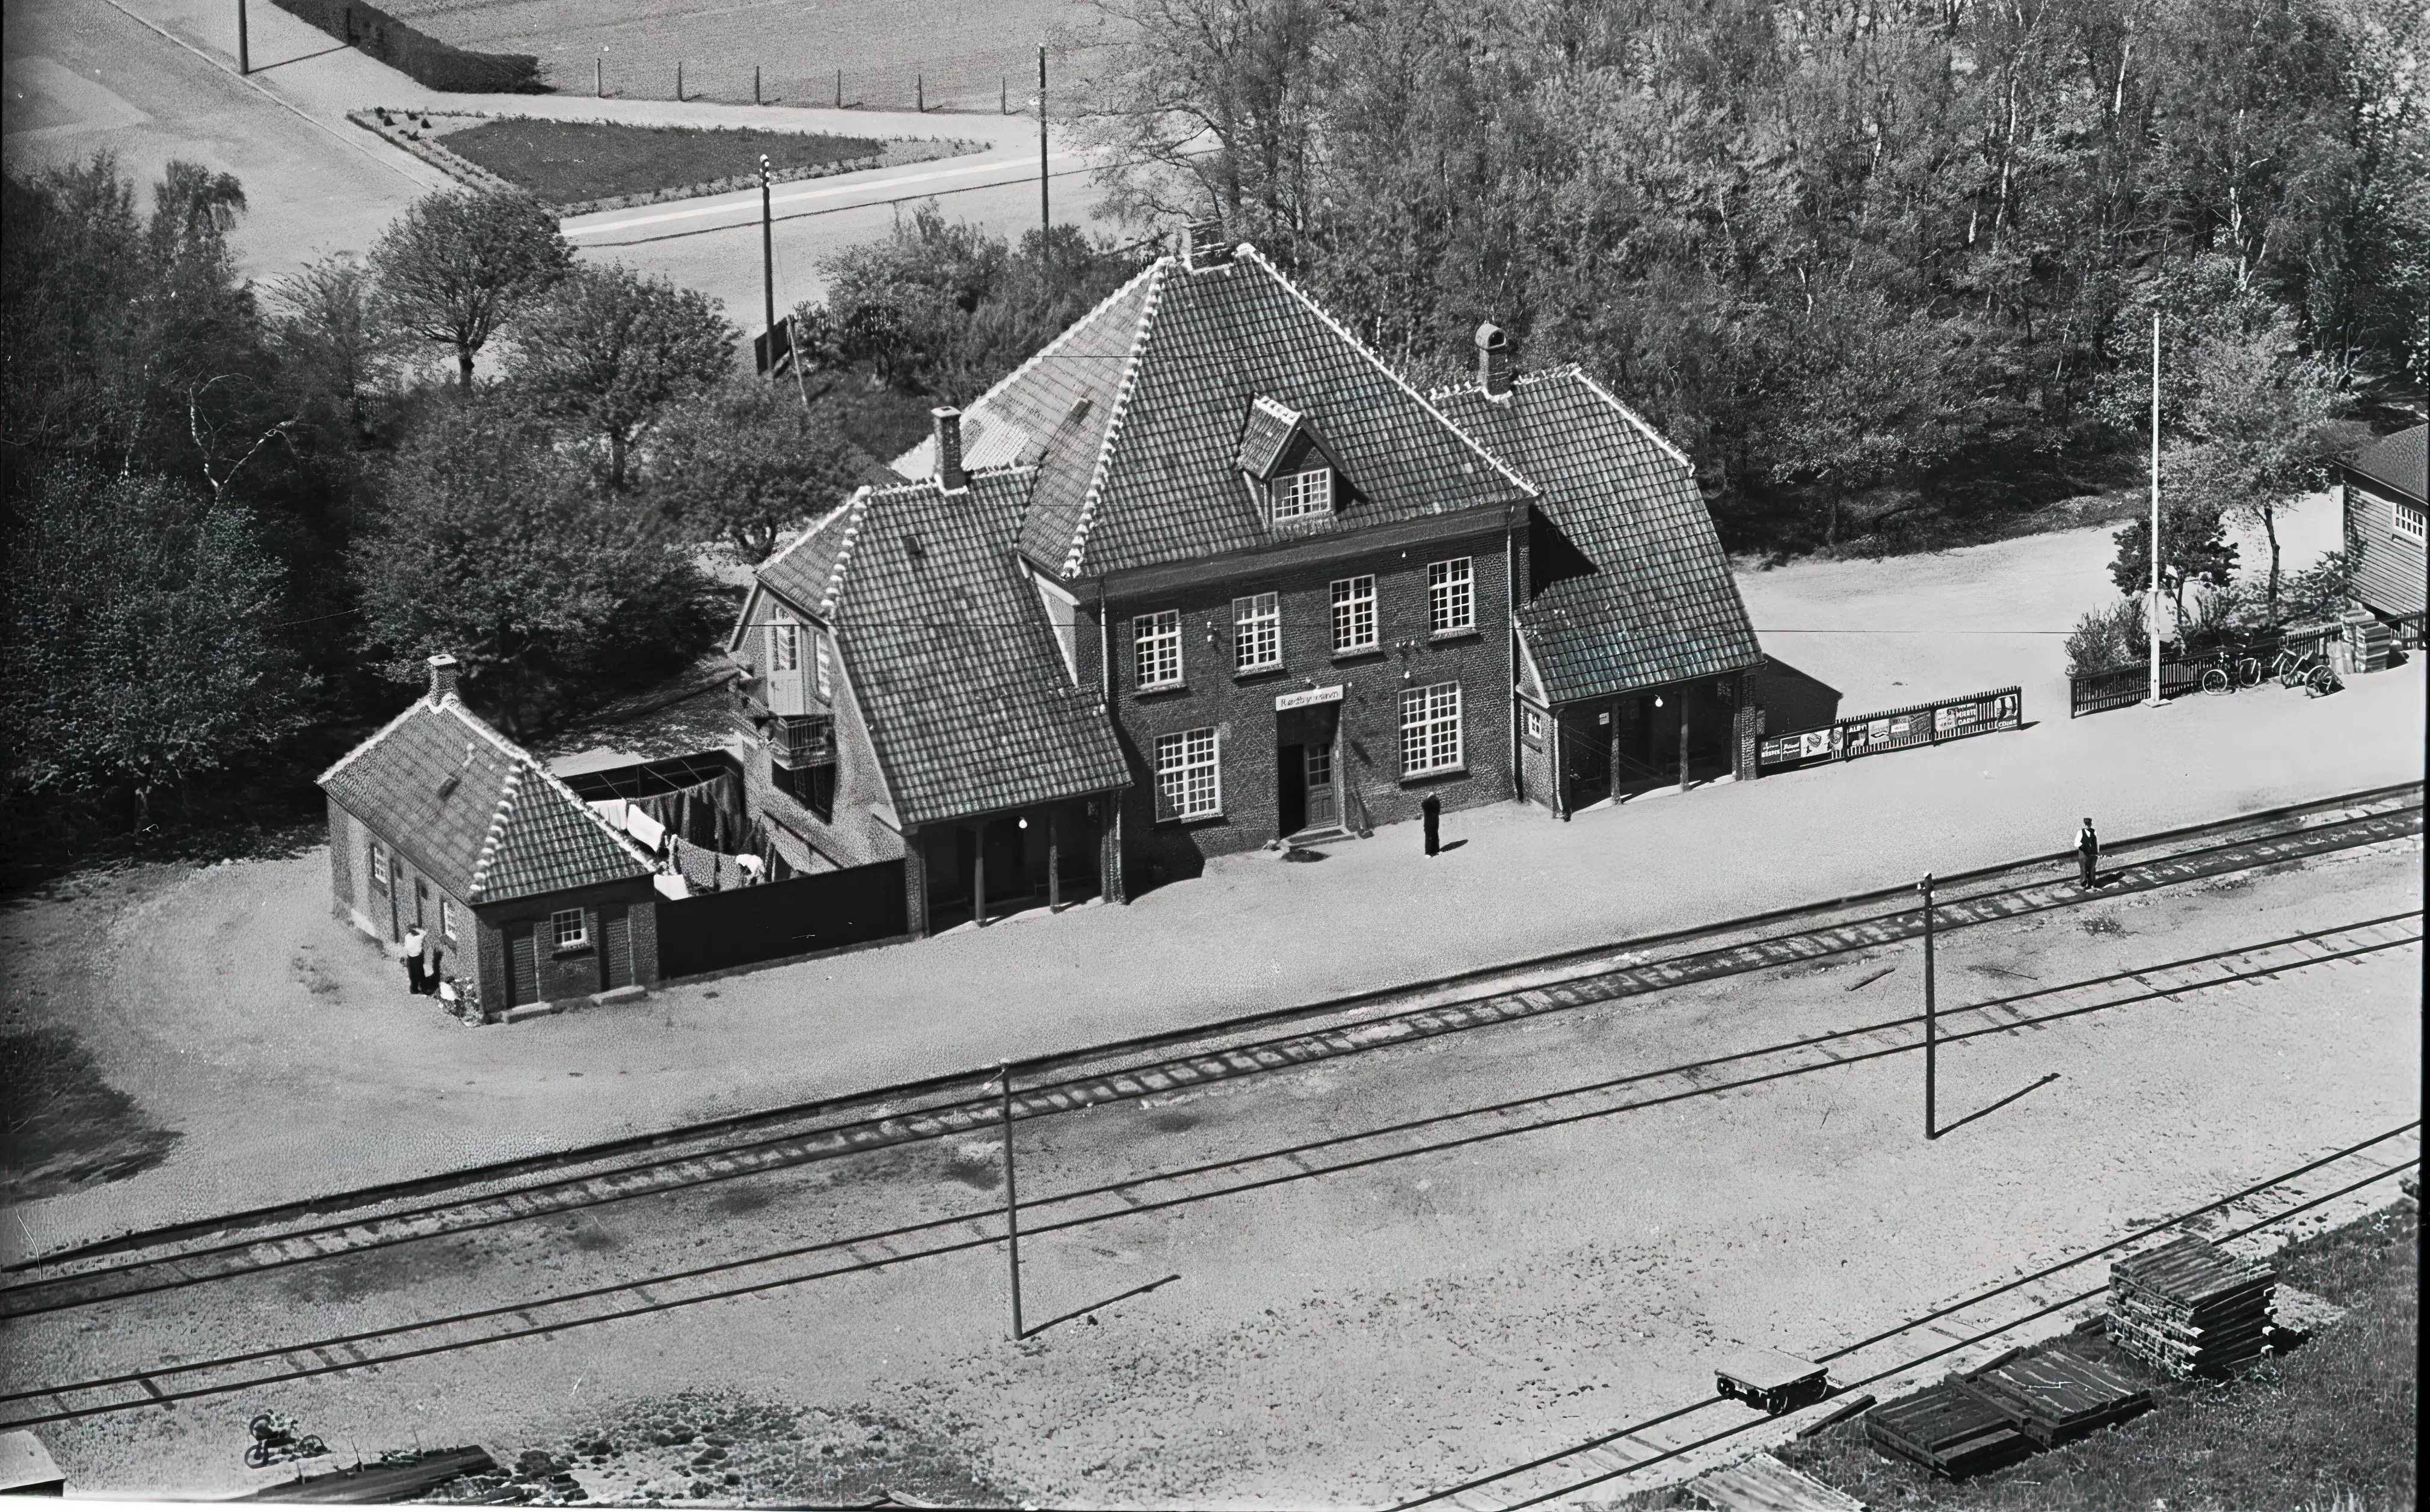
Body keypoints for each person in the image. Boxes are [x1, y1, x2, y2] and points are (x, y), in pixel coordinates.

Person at [399, 925, 427, 995]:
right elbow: (425, 932)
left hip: (412, 957)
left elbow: (407, 947)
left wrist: (403, 955)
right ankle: (422, 988)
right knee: (419, 973)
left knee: (413, 974)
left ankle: (415, 989)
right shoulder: (420, 936)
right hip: (417, 957)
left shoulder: (408, 936)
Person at [2076, 818, 2099, 890]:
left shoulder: (2093, 831)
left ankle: (2092, 884)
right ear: (2085, 825)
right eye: (2087, 825)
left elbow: (2096, 843)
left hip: (2092, 854)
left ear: (2091, 825)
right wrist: (2085, 846)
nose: (2088, 826)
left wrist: (2097, 852)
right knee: (2084, 869)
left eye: (2089, 825)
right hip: (2084, 854)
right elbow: (2077, 843)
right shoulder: (2080, 832)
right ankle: (2084, 883)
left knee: (2092, 869)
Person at [1421, 793, 1442, 857]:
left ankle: (1432, 851)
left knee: (1432, 837)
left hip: (1432, 823)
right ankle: (1432, 851)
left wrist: (1430, 798)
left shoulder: (1433, 805)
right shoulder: (1431, 805)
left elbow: (1424, 804)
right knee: (1432, 837)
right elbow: (1424, 804)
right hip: (1432, 823)